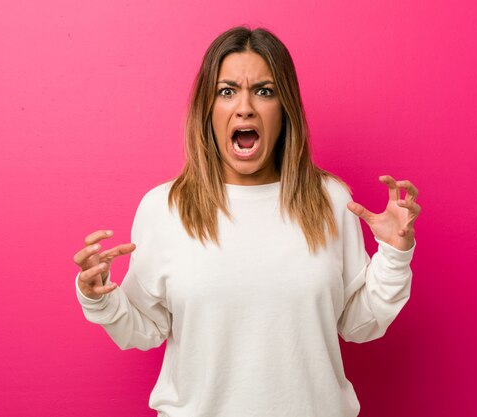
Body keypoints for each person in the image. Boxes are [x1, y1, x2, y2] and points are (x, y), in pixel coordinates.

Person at [73, 26, 420, 417]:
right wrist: (99, 297)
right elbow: (146, 328)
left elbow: (358, 324)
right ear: (208, 108)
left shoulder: (330, 200)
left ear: (284, 108)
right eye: (227, 91)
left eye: (264, 91)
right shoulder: (165, 208)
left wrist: (394, 255)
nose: (245, 107)